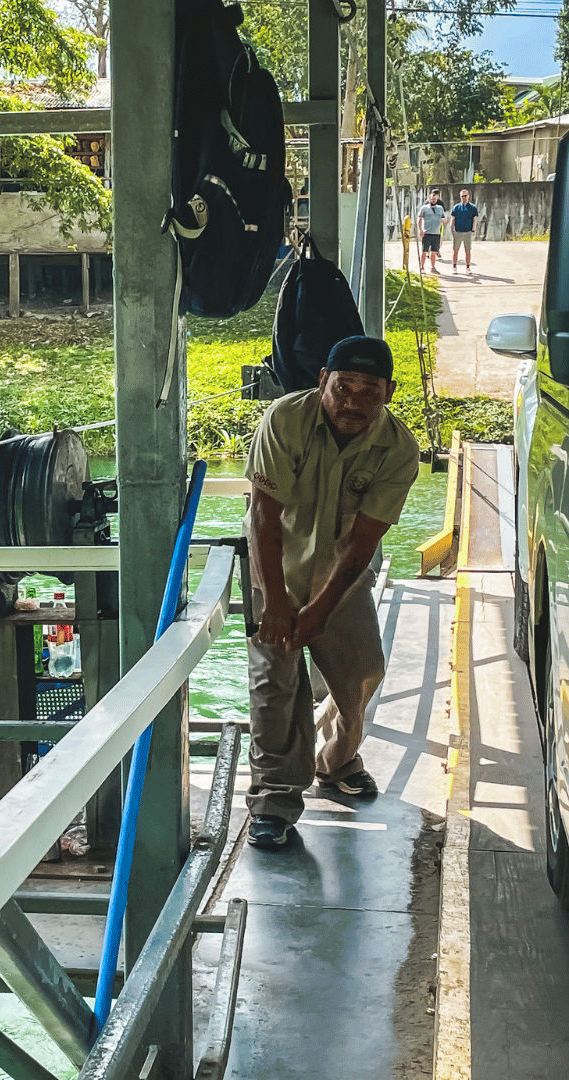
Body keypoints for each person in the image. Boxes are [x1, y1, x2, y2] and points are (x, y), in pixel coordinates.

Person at [243, 335, 419, 850]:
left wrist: (320, 610)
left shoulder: (399, 449)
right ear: (323, 381)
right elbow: (263, 516)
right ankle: (273, 802)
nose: (354, 403)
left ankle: (337, 760)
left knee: (361, 673)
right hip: (272, 566)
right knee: (276, 687)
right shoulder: (285, 419)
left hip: (342, 579)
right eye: (344, 387)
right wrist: (276, 604)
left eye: (370, 392)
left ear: (388, 392)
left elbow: (364, 540)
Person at [416, 190, 446, 274]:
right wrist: (420, 230)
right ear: (429, 199)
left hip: (436, 233)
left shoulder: (440, 208)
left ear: (437, 200)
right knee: (424, 252)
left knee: (434, 252)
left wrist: (444, 220)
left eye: (435, 199)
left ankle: (433, 268)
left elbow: (444, 218)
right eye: (432, 199)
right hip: (427, 233)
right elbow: (419, 218)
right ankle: (422, 268)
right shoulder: (424, 208)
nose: (433, 200)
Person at [450, 189, 479, 272]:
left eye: (465, 196)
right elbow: (453, 219)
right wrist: (452, 230)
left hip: (468, 232)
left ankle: (468, 267)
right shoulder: (456, 207)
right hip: (458, 232)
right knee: (455, 250)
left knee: (468, 250)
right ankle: (454, 267)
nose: (464, 197)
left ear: (468, 196)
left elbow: (475, 219)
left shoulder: (473, 207)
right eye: (462, 196)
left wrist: (473, 229)